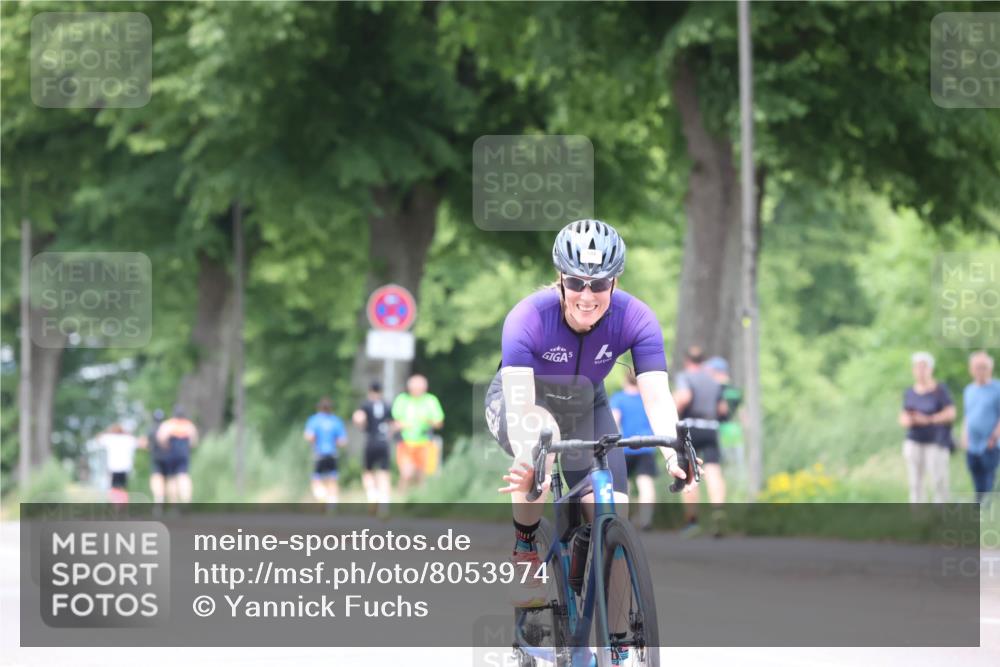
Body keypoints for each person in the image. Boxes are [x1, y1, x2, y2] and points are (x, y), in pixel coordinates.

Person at [485, 219, 696, 614]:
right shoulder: (527, 318)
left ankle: (616, 644)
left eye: (599, 284)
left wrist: (673, 453)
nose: (587, 295)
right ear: (559, 278)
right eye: (577, 282)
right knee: (540, 443)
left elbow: (656, 395)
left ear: (615, 283)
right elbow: (521, 405)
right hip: (524, 402)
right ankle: (525, 547)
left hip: (586, 404)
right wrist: (533, 455)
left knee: (612, 508)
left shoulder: (637, 318)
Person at [673, 346, 729, 536]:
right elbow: (723, 409)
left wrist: (673, 413)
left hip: (692, 428)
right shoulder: (713, 381)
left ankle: (692, 522)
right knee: (714, 472)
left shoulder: (686, 376)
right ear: (703, 361)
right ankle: (718, 513)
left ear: (687, 361)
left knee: (689, 472)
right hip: (711, 428)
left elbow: (684, 398)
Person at [898, 352, 955, 503]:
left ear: (930, 369)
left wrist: (928, 419)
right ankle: (918, 519)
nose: (921, 370)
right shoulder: (910, 392)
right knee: (915, 483)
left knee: (938, 481)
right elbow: (903, 415)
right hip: (914, 441)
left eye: (924, 367)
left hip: (936, 442)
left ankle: (940, 517)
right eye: (917, 367)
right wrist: (910, 420)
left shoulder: (940, 390)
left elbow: (950, 413)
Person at [610, 368, 657, 530]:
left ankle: (624, 520)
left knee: (624, 484)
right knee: (646, 483)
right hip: (646, 445)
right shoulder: (646, 399)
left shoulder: (619, 398)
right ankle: (646, 520)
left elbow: (614, 421)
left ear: (625, 380)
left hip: (624, 446)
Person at [391, 374, 444, 495]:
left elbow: (439, 423)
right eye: (416, 387)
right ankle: (401, 499)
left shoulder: (431, 400)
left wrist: (428, 421)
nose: (418, 390)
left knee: (422, 476)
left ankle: (419, 503)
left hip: (425, 443)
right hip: (406, 443)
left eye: (421, 387)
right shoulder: (402, 399)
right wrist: (401, 425)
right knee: (406, 474)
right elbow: (394, 422)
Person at [962, 351, 1000, 504]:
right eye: (977, 367)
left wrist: (994, 437)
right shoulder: (969, 390)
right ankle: (980, 505)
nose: (980, 370)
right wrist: (964, 435)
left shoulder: (997, 389)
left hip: (990, 443)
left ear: (990, 369)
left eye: (983, 367)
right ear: (971, 369)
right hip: (973, 444)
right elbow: (968, 415)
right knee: (975, 474)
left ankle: (985, 508)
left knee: (987, 477)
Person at [353, 381, 394, 513]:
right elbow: (394, 424)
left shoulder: (365, 405)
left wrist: (361, 426)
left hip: (371, 441)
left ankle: (372, 495)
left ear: (370, 391)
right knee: (384, 473)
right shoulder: (387, 405)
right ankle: (384, 504)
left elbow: (358, 418)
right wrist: (389, 434)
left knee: (368, 471)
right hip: (383, 443)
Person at [304, 397, 348, 505]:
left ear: (319, 408)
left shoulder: (314, 420)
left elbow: (308, 436)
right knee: (332, 479)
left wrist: (316, 441)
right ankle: (332, 504)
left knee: (316, 479)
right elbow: (343, 441)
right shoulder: (336, 421)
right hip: (332, 454)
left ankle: (322, 495)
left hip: (319, 454)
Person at [155, 405, 199, 503]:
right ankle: (186, 500)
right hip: (184, 453)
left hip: (171, 453)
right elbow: (194, 441)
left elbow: (161, 438)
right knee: (183, 476)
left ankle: (173, 503)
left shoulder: (168, 424)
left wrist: (166, 447)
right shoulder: (189, 425)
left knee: (172, 478)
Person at [705, 356, 745, 462]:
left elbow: (722, 409)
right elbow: (742, 414)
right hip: (735, 430)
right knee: (736, 462)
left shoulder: (717, 389)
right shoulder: (735, 389)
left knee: (721, 462)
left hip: (720, 429)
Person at [96, 423, 139, 504]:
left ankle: (115, 504)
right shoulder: (128, 438)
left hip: (113, 467)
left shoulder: (109, 438)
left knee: (114, 487)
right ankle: (122, 504)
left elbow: (98, 438)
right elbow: (139, 442)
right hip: (125, 468)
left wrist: (106, 432)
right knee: (123, 488)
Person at [144, 408, 168, 504]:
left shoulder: (151, 429)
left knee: (156, 478)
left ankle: (159, 499)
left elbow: (147, 445)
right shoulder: (167, 428)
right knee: (168, 479)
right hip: (168, 457)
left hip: (156, 457)